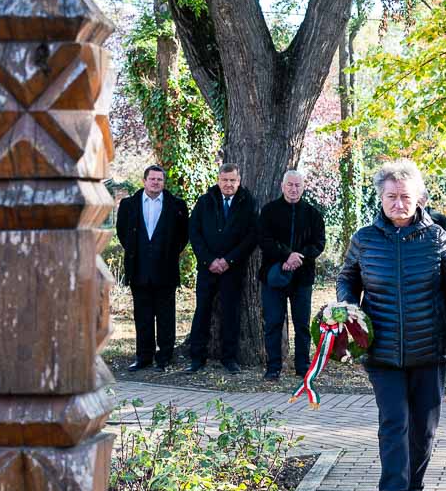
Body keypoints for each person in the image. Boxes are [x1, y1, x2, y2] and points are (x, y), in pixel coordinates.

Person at [339, 160, 446, 491]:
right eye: (391, 197)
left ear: (418, 198)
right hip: (381, 350)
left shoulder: (436, 237)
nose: (398, 204)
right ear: (381, 198)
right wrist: (348, 310)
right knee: (393, 423)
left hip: (429, 348)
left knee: (423, 428)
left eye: (405, 197)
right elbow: (347, 278)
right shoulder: (364, 239)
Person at [115, 165, 191, 374]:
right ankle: (143, 357)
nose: (156, 182)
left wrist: (168, 253)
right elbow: (122, 232)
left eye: (159, 179)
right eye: (152, 179)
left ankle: (164, 357)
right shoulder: (129, 205)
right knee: (143, 316)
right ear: (144, 181)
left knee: (166, 316)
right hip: (138, 269)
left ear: (164, 182)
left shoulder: (177, 205)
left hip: (165, 269)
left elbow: (183, 235)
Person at [187, 161, 258, 374]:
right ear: (218, 180)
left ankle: (229, 358)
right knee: (202, 311)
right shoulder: (205, 201)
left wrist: (229, 260)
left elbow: (251, 236)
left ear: (239, 181)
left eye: (232, 180)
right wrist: (209, 261)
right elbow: (194, 233)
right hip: (207, 268)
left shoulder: (248, 202)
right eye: (225, 180)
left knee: (231, 314)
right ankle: (197, 358)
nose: (228, 184)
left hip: (232, 269)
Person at [257, 169, 326, 382]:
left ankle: (303, 367)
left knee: (302, 324)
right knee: (273, 323)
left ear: (303, 188)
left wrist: (298, 257)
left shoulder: (313, 214)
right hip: (274, 276)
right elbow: (264, 240)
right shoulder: (269, 211)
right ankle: (273, 367)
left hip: (302, 278)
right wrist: (287, 255)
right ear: (282, 186)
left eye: (297, 185)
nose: (293, 189)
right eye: (290, 185)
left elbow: (319, 243)